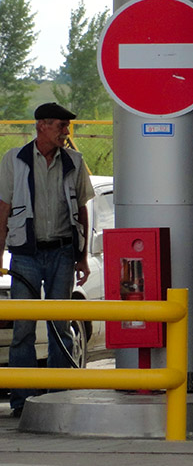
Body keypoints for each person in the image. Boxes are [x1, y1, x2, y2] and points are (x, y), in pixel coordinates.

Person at [0, 102, 95, 418]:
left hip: (62, 254)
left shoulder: (75, 162)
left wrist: (81, 258)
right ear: (42, 126)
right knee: (23, 331)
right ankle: (22, 402)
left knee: (60, 328)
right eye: (61, 126)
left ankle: (59, 398)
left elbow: (82, 210)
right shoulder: (14, 161)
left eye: (67, 127)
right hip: (25, 254)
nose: (66, 132)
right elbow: (3, 209)